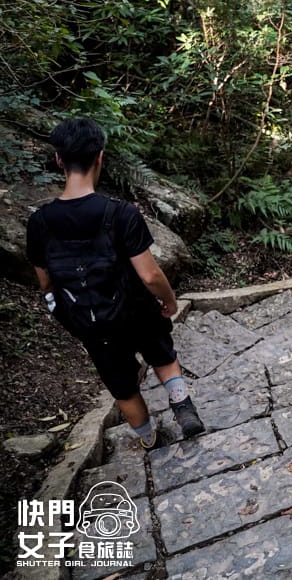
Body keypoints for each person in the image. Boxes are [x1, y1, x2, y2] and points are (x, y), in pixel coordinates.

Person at [26, 118, 204, 450]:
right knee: (162, 355)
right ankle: (182, 406)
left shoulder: (39, 224)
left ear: (59, 160)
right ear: (100, 157)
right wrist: (169, 301)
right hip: (134, 308)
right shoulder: (119, 213)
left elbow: (46, 282)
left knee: (122, 385)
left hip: (91, 321)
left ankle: (150, 439)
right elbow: (150, 275)